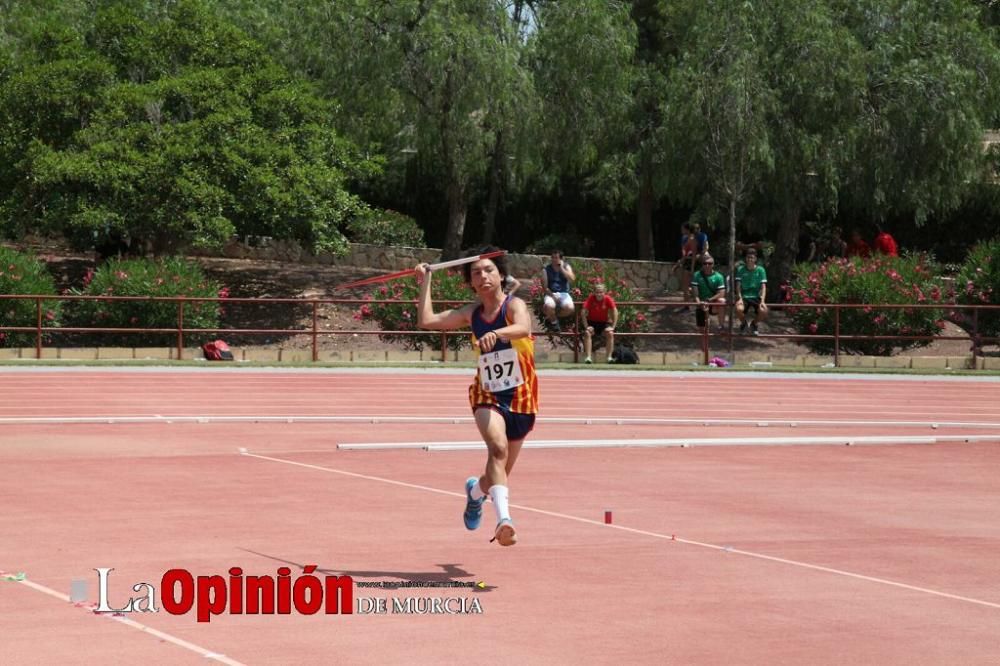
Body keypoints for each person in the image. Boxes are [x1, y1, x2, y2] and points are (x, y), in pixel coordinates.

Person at [415, 248, 538, 547]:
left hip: (522, 396)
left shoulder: (514, 305)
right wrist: (425, 281)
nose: (483, 276)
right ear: (470, 282)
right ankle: (504, 521)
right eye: (476, 273)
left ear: (501, 275)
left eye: (488, 270)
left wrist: (499, 334)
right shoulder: (472, 314)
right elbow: (428, 321)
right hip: (487, 392)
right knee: (497, 450)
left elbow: (524, 327)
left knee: (498, 474)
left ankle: (474, 493)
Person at [581, 282, 618, 364]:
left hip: (604, 323)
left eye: (601, 292)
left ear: (604, 292)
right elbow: (583, 312)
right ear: (594, 292)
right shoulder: (591, 298)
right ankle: (588, 358)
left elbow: (615, 311)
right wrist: (586, 326)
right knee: (587, 333)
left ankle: (609, 357)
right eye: (597, 292)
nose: (599, 294)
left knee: (610, 333)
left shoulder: (608, 299)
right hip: (592, 322)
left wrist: (613, 326)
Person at [735, 247, 768, 335]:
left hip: (756, 296)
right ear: (745, 258)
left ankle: (754, 324)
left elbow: (763, 287)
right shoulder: (740, 269)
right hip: (745, 295)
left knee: (764, 310)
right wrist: (740, 298)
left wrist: (763, 301)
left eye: (752, 257)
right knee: (738, 309)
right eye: (748, 257)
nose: (750, 259)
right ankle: (744, 323)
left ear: (755, 259)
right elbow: (738, 286)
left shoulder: (761, 270)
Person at [541, 250, 576, 331]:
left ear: (561, 259)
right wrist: (553, 296)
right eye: (552, 257)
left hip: (564, 293)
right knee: (549, 306)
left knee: (570, 308)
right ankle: (554, 322)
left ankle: (552, 317)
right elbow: (545, 287)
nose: (553, 259)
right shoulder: (546, 270)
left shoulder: (566, 266)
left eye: (556, 258)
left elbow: (572, 279)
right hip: (551, 293)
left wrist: (561, 269)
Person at [691, 254, 726, 331]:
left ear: (713, 264)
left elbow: (721, 293)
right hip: (701, 303)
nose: (707, 265)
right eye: (705, 263)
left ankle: (721, 326)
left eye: (709, 263)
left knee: (722, 301)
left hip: (712, 303)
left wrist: (709, 300)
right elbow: (695, 293)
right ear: (702, 264)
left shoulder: (719, 276)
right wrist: (700, 303)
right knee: (702, 330)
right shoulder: (697, 275)